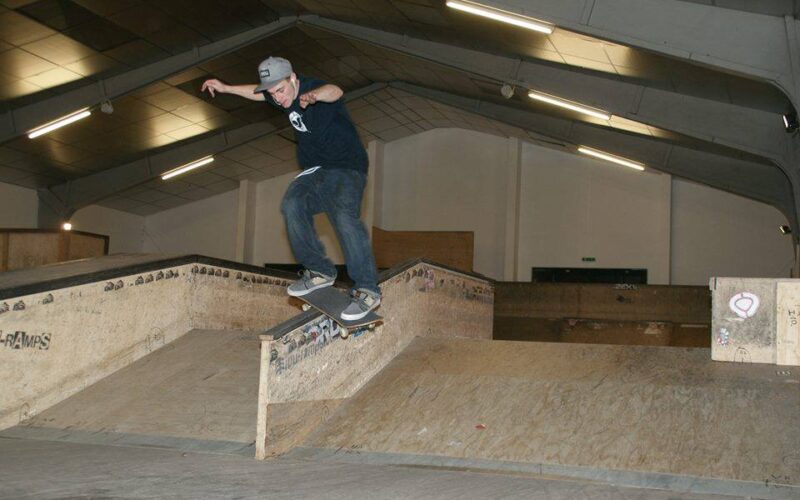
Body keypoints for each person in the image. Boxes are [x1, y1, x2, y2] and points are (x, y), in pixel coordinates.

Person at [201, 57, 381, 320]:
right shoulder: (277, 93)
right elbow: (257, 93)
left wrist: (314, 96)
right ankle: (319, 271)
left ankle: (367, 288)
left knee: (343, 216)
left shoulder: (312, 87)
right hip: (315, 170)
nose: (279, 99)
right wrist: (227, 88)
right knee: (291, 204)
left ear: (293, 79)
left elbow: (336, 91)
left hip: (346, 167)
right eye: (273, 93)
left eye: (282, 91)